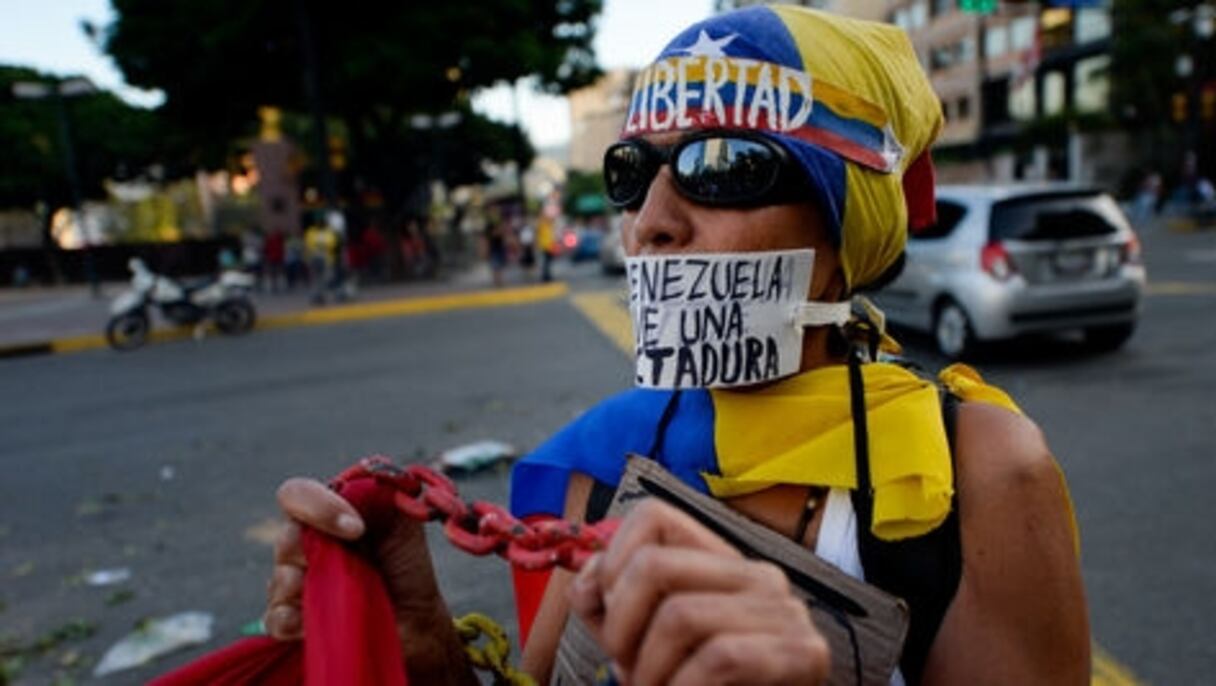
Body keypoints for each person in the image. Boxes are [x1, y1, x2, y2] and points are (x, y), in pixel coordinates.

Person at [265, 7, 1089, 685]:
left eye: (723, 167)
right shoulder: (615, 450)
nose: (650, 221)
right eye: (634, 171)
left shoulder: (973, 469)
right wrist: (425, 648)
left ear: (847, 225)